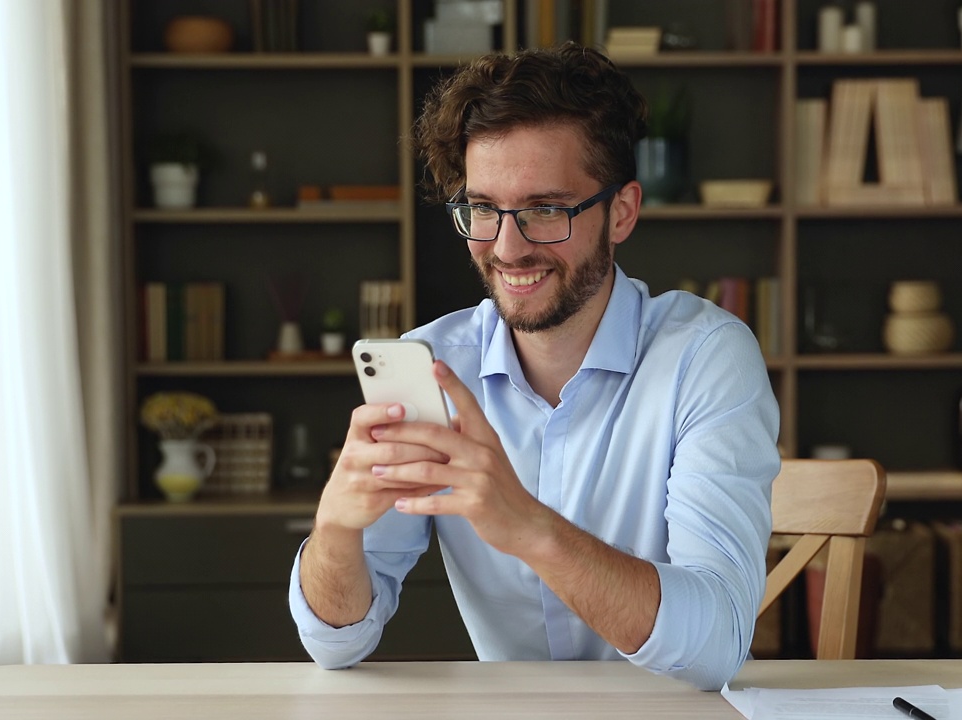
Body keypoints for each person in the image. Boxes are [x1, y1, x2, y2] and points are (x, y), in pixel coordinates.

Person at [289, 42, 780, 691]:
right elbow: (335, 640)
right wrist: (335, 529)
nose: (507, 247)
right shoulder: (433, 365)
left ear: (622, 211)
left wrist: (527, 527)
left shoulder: (705, 358)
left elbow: (717, 646)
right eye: (484, 208)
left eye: (546, 209)